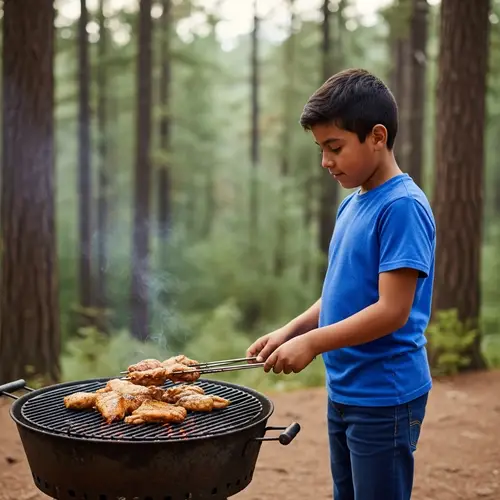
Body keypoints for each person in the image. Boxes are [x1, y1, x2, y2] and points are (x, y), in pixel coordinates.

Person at [246, 68, 435, 500]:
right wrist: (292, 330)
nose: (326, 162)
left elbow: (392, 310)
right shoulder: (354, 204)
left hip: (384, 394)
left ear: (377, 137)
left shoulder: (402, 207)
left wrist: (313, 344)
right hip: (347, 387)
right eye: (321, 149)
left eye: (335, 147)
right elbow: (340, 293)